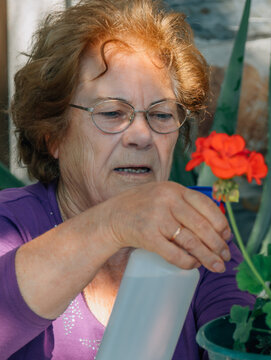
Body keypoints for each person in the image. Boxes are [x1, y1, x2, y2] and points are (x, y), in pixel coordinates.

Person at [0, 0, 255, 358]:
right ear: (52, 136)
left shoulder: (191, 234)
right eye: (112, 112)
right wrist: (112, 224)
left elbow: (243, 341)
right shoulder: (11, 225)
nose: (142, 135)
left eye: (161, 114)